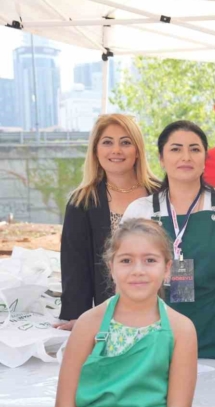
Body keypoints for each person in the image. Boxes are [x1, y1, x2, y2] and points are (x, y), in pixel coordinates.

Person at [55, 218, 197, 407]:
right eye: (126, 260)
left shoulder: (181, 330)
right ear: (111, 267)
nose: (138, 270)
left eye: (150, 260)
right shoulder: (89, 324)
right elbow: (65, 405)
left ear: (168, 268)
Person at [122, 121, 215, 362]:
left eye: (195, 149)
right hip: (157, 335)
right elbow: (124, 277)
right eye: (175, 149)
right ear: (161, 159)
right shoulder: (139, 211)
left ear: (205, 158)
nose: (186, 156)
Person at [57, 114, 160, 330]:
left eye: (125, 142)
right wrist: (78, 318)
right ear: (95, 151)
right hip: (110, 319)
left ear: (138, 150)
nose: (116, 150)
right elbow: (75, 267)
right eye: (107, 142)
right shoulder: (82, 202)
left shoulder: (162, 194)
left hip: (163, 312)